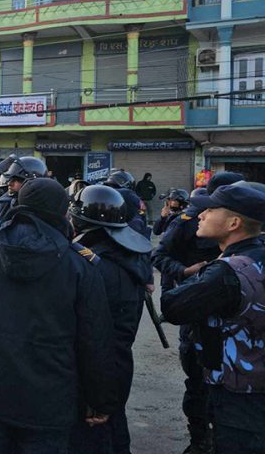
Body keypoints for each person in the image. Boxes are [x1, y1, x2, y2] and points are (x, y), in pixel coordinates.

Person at [0, 178, 115, 454]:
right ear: (63, 213)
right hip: (50, 401)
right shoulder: (80, 265)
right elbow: (95, 340)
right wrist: (100, 399)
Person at [162, 183, 265, 454]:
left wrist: (198, 272)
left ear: (233, 223)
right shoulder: (256, 257)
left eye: (210, 209)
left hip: (239, 395)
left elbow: (173, 306)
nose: (201, 215)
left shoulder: (227, 272)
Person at [67, 185, 153, 454]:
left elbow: (96, 338)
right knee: (114, 429)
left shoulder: (99, 266)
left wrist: (98, 394)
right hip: (115, 364)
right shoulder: (122, 256)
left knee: (96, 436)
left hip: (99, 370)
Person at [0, 155, 48, 221]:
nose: (10, 183)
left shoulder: (49, 208)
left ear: (32, 182)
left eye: (16, 180)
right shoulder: (5, 204)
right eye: (10, 179)